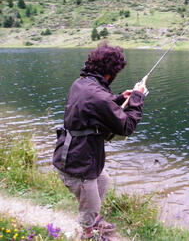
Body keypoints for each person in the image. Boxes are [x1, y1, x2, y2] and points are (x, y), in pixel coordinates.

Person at [52, 42, 146, 240]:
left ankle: (94, 218)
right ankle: (88, 233)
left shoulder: (82, 83)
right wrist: (137, 99)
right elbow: (127, 126)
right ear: (111, 73)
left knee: (103, 180)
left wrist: (120, 98)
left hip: (76, 154)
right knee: (90, 205)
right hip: (76, 163)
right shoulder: (98, 95)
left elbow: (94, 106)